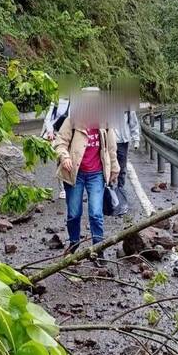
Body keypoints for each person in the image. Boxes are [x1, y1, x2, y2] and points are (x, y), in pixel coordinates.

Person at [53, 89, 119, 251]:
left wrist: (114, 168)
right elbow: (60, 142)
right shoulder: (72, 120)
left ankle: (98, 249)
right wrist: (64, 156)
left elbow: (111, 148)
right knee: (74, 214)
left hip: (96, 174)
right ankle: (74, 245)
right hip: (75, 173)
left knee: (96, 214)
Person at [42, 96, 70, 198]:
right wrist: (50, 130)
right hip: (58, 134)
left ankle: (72, 185)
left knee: (73, 159)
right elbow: (48, 118)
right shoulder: (56, 100)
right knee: (60, 160)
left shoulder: (74, 100)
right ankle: (62, 188)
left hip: (71, 134)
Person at [113, 110, 140, 198]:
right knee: (108, 166)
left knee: (122, 168)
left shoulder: (128, 108)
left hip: (122, 142)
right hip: (109, 142)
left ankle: (121, 189)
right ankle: (109, 190)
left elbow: (134, 124)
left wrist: (136, 140)